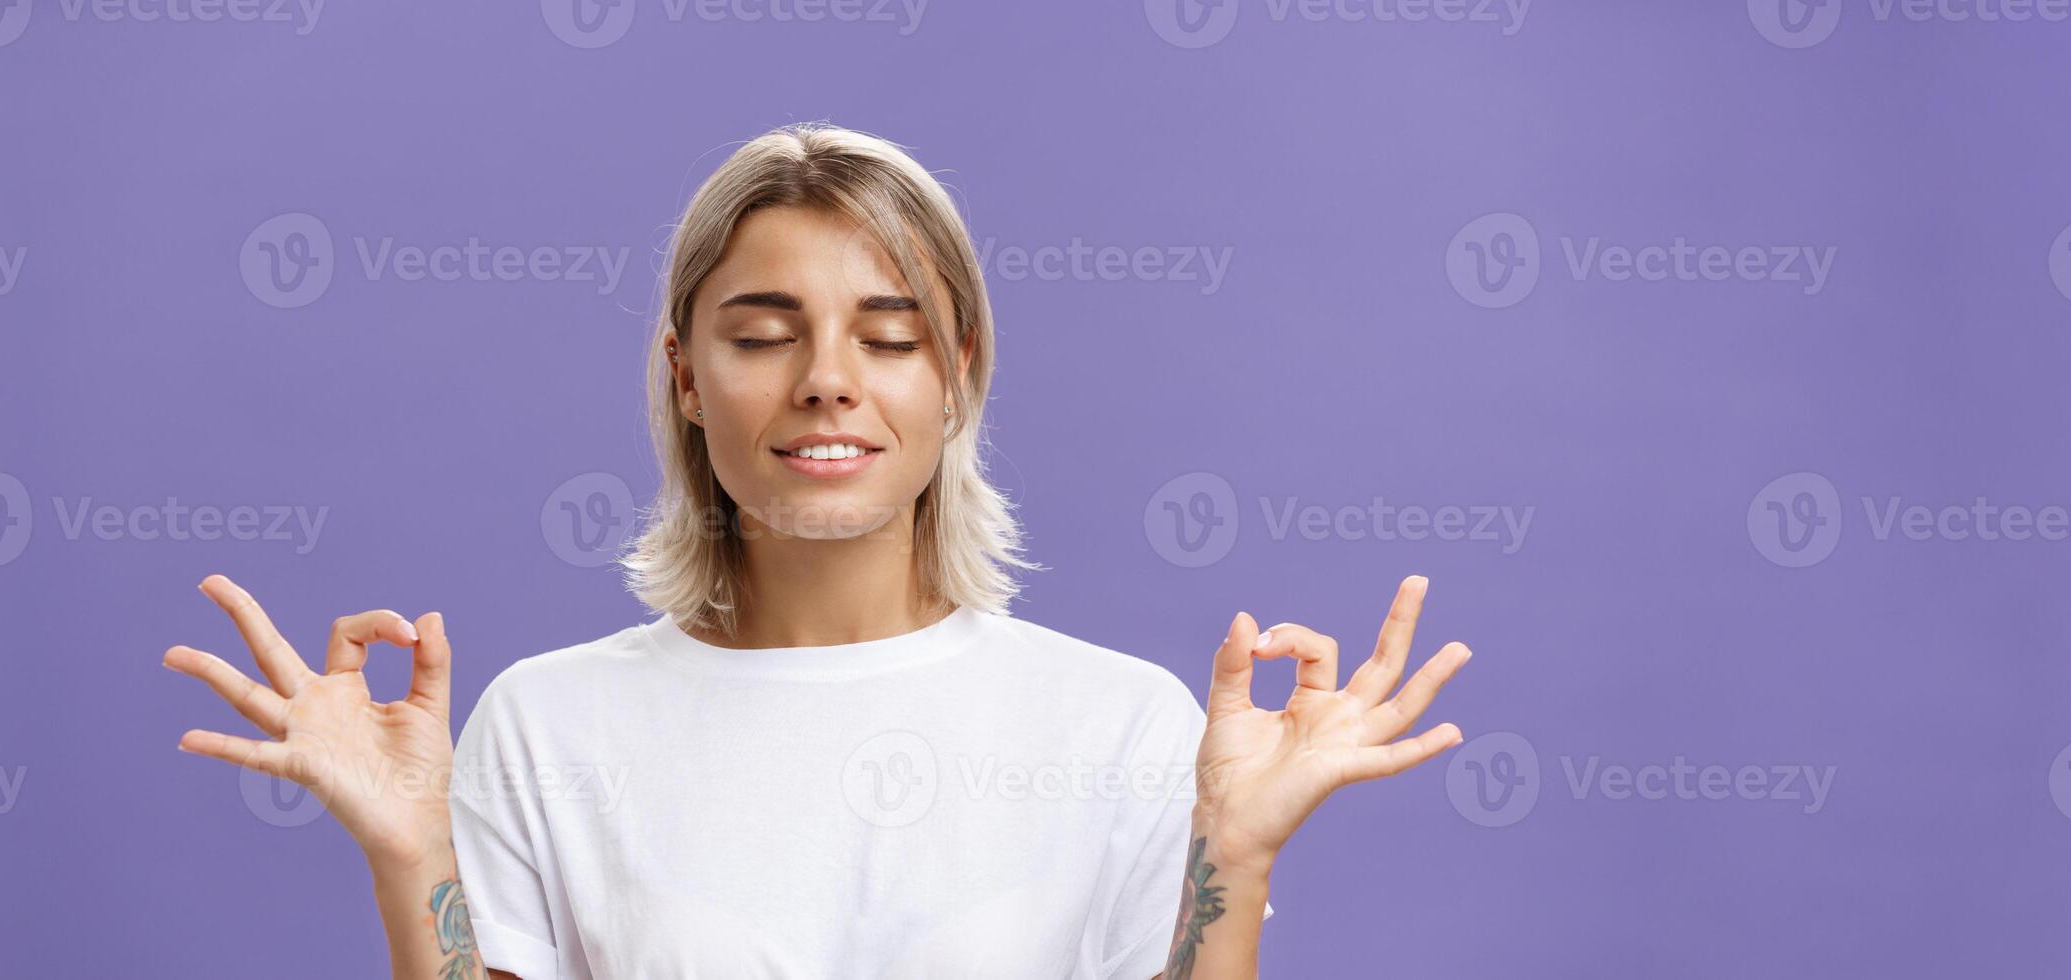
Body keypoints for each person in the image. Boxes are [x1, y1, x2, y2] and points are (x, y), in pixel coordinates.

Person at [162, 122, 1472, 980]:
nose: (828, 382)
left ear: (958, 375)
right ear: (684, 376)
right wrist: (413, 856)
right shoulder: (548, 724)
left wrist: (1228, 859)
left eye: (889, 338)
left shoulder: (1122, 725)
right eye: (761, 332)